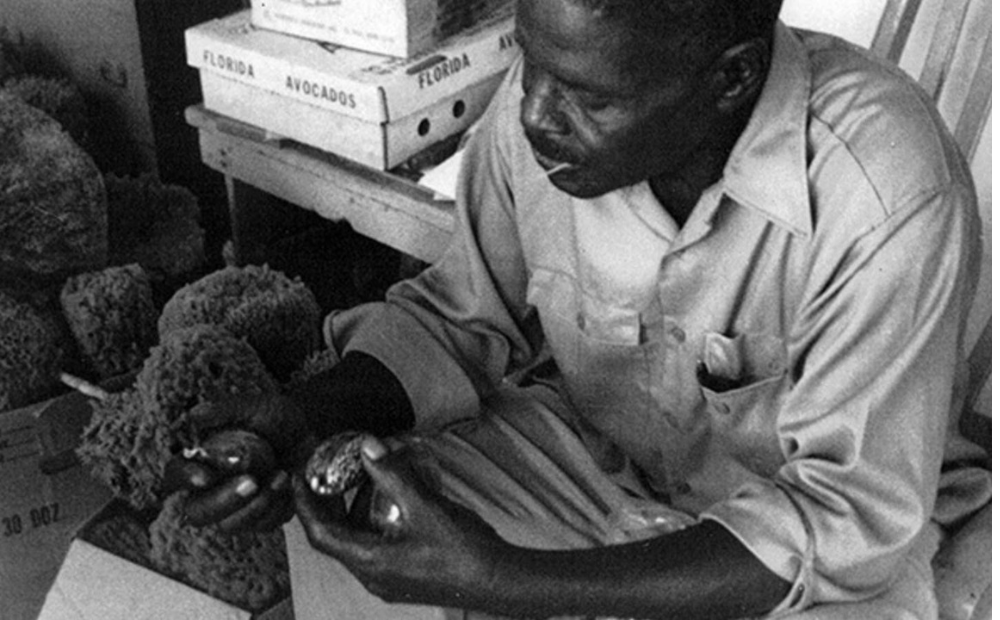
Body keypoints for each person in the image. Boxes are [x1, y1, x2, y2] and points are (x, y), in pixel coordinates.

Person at [169, 0, 991, 617]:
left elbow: (844, 521)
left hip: (819, 549)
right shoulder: (542, 123)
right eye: (531, 65)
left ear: (731, 78)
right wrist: (290, 426)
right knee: (348, 506)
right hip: (603, 464)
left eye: (589, 99)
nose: (533, 115)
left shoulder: (887, 190)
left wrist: (510, 582)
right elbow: (457, 320)